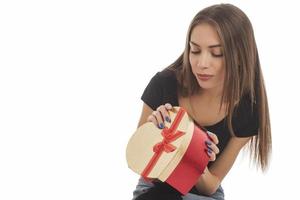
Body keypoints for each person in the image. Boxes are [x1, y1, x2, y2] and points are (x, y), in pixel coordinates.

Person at [131, 3, 272, 200]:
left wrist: (194, 154)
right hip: (153, 189)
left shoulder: (247, 110)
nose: (201, 63)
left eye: (217, 53)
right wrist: (154, 133)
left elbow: (209, 186)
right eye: (195, 50)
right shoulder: (164, 84)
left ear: (239, 57)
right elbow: (143, 165)